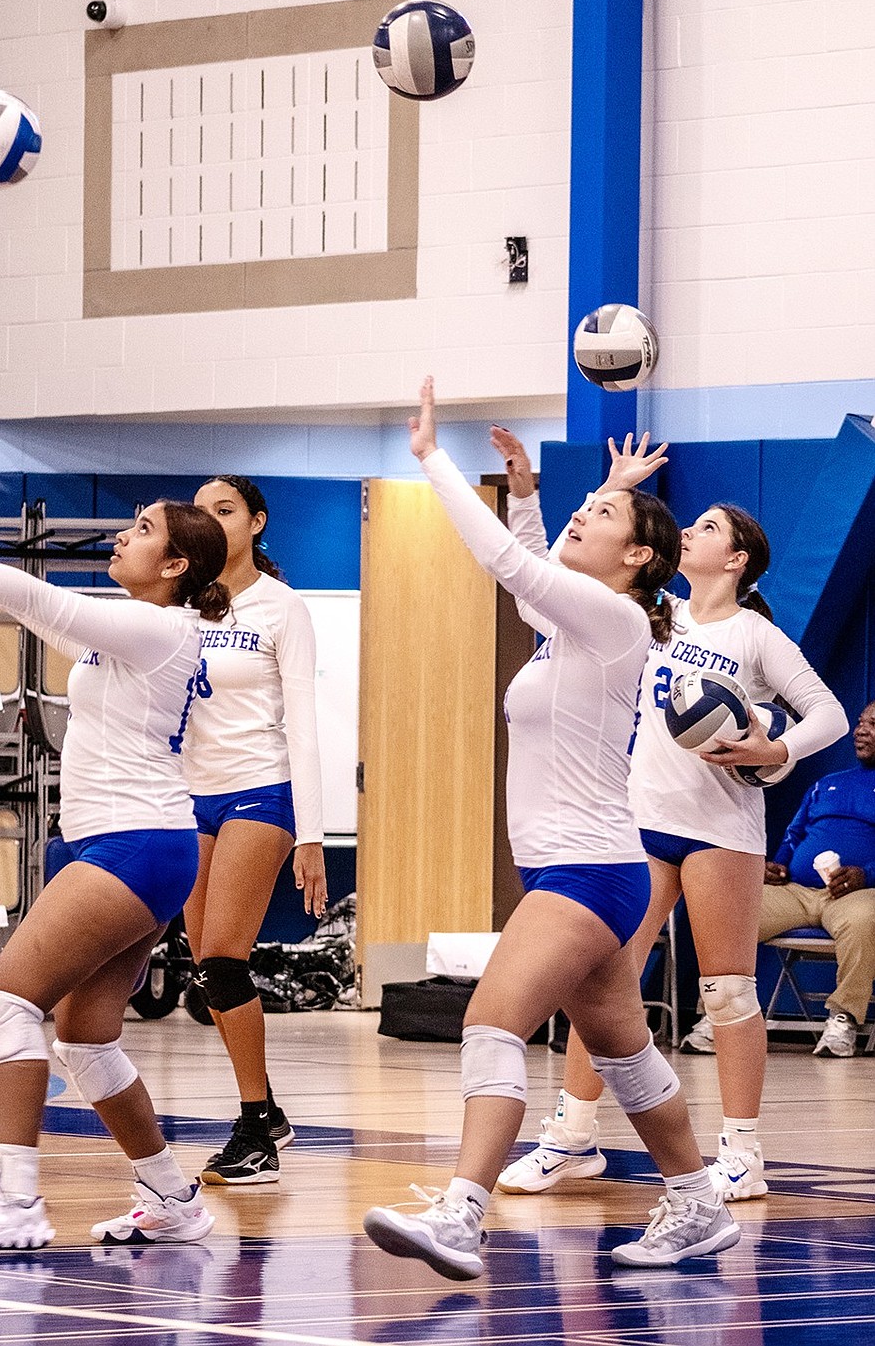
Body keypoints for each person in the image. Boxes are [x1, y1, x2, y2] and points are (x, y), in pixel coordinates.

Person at [363, 379, 739, 1279]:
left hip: (588, 870)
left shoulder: (610, 621)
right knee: (624, 1050)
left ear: (641, 556)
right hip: (580, 868)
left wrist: (432, 458)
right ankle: (696, 1202)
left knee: (492, 1022)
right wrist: (531, 492)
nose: (584, 516)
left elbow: (509, 562)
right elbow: (533, 564)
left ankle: (462, 1214)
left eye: (601, 513)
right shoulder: (574, 626)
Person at [0, 492, 230, 1250]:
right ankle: (171, 1195)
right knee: (88, 1037)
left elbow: (51, 604)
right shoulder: (140, 629)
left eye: (143, 530)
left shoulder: (159, 625)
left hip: (136, 842)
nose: (125, 537)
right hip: (124, 843)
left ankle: (17, 1199)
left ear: (174, 565)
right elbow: (47, 615)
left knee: (7, 999)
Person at [496, 433, 848, 1203]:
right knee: (605, 979)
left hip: (721, 824)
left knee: (727, 990)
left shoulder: (754, 635)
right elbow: (552, 578)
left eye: (712, 529)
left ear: (739, 560)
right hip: (635, 818)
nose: (693, 531)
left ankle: (743, 1153)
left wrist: (774, 747)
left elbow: (827, 709)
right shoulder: (649, 613)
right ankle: (572, 1136)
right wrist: (611, 486)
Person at [181, 475, 327, 1184]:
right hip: (190, 798)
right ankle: (267, 1108)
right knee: (205, 973)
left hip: (260, 793)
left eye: (224, 509)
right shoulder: (184, 603)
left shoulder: (281, 606)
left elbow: (304, 720)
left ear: (256, 521)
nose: (209, 519)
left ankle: (253, 1136)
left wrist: (313, 833)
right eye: (200, 511)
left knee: (224, 960)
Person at [760, 700, 875, 1057]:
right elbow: (794, 835)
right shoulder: (828, 784)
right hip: (796, 891)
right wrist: (778, 865)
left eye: (873, 724)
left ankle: (844, 1020)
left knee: (864, 921)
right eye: (860, 722)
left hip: (857, 894)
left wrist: (866, 874)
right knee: (736, 913)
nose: (860, 730)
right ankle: (722, 1014)